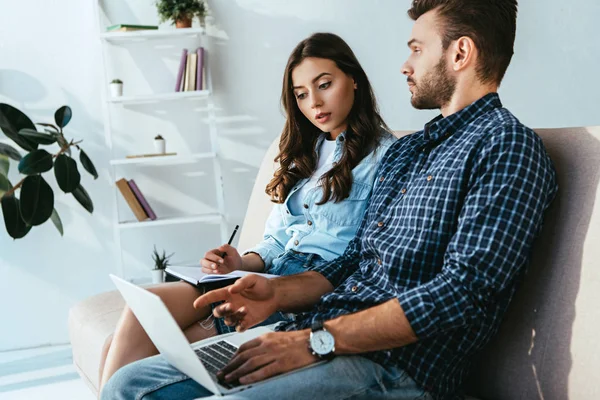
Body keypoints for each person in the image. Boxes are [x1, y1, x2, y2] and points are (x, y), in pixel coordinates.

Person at [101, 1, 559, 399]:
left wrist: (315, 341)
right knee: (130, 385)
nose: (405, 64)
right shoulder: (407, 152)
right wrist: (275, 291)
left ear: (460, 53)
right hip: (320, 331)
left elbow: (464, 292)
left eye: (417, 48)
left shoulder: (506, 146)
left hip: (393, 368)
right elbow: (355, 260)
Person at [98, 32, 396, 392]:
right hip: (261, 276)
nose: (314, 102)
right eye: (301, 94)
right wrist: (239, 262)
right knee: (134, 319)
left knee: (133, 355)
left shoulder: (388, 157)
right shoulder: (304, 151)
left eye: (325, 84)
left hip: (300, 290)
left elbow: (364, 256)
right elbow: (276, 241)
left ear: (354, 80)